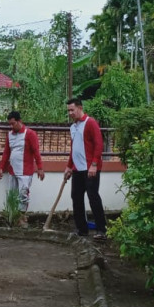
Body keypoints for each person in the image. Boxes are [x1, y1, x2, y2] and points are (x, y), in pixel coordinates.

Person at [64, 98, 106, 239]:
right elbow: (74, 149)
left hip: (90, 169)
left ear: (80, 108)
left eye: (72, 110)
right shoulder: (73, 127)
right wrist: (69, 166)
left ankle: (101, 230)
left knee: (93, 197)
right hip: (77, 169)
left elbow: (99, 144)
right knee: (76, 197)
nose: (70, 113)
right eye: (68, 110)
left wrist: (94, 165)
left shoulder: (90, 123)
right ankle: (82, 229)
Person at [0, 111, 45, 227]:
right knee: (12, 195)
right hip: (12, 170)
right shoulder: (10, 135)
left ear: (19, 121)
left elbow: (36, 152)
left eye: (13, 124)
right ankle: (14, 218)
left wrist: (40, 168)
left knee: (23, 195)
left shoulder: (30, 134)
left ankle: (22, 218)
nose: (11, 126)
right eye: (10, 124)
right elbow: (6, 152)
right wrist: (1, 168)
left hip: (25, 171)